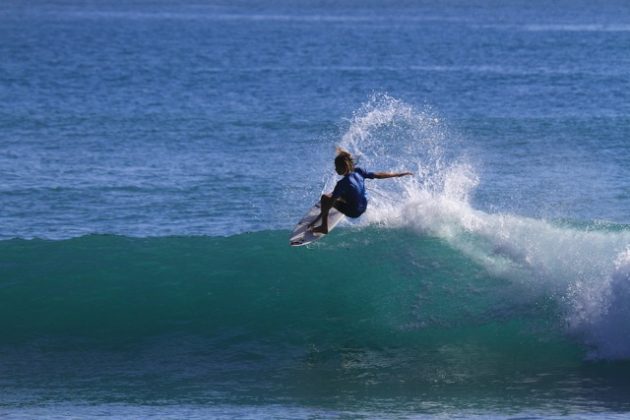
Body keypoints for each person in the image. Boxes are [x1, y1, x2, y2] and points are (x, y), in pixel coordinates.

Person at [309, 149, 413, 234]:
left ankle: (323, 227)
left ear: (344, 167)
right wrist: (398, 174)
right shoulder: (359, 171)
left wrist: (318, 218)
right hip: (364, 205)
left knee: (325, 198)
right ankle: (342, 200)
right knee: (342, 192)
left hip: (354, 212)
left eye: (337, 167)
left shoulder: (341, 183)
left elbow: (330, 202)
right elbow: (378, 175)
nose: (335, 170)